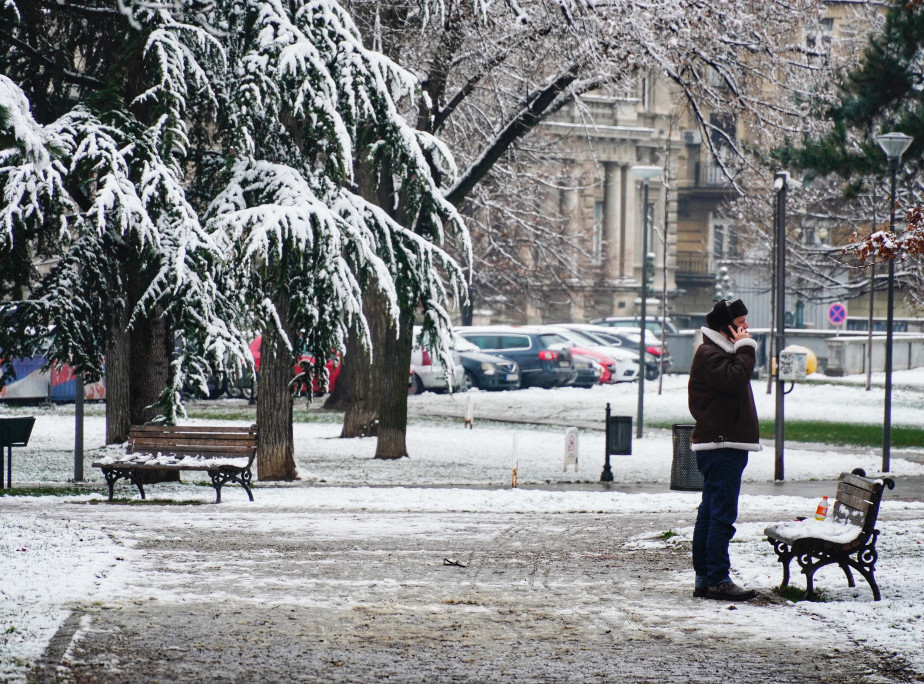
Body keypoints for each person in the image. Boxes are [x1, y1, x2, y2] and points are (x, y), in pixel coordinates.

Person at [688, 298, 761, 601]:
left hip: (723, 444)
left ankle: (706, 578)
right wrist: (746, 347)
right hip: (721, 445)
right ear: (726, 327)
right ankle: (717, 578)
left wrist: (740, 349)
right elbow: (735, 378)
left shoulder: (717, 353)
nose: (746, 328)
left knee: (710, 513)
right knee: (721, 515)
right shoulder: (710, 353)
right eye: (741, 323)